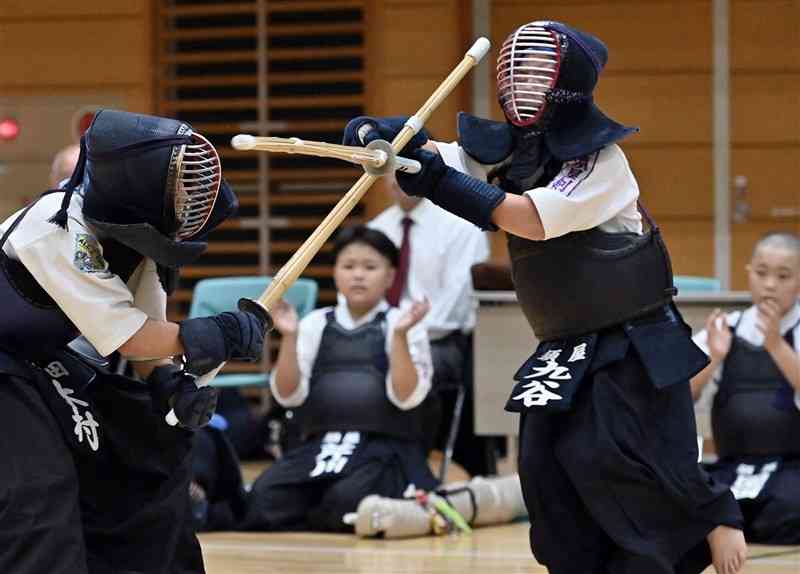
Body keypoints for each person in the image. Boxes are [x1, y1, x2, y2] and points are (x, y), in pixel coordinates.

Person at [342, 21, 747, 574]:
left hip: (631, 343)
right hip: (563, 345)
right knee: (544, 468)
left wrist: (433, 176)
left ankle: (711, 522)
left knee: (616, 459)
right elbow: (441, 158)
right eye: (514, 69)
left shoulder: (600, 163)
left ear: (568, 81)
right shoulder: (513, 154)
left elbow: (528, 219)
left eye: (534, 69)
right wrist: (387, 138)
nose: (517, 81)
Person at [0, 109, 268, 574]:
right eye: (179, 185)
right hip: (10, 368)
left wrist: (169, 384)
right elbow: (134, 338)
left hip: (36, 363)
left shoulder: (131, 240)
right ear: (135, 179)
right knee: (39, 489)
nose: (188, 197)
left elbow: (150, 338)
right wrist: (219, 333)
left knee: (139, 455)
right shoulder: (58, 226)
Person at [242, 225, 437, 532]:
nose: (358, 275)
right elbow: (287, 396)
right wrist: (290, 337)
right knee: (263, 500)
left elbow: (407, 396)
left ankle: (319, 511)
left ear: (390, 276)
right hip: (320, 445)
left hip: (383, 449)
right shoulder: (313, 323)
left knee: (348, 500)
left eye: (370, 267)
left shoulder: (404, 323)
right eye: (348, 266)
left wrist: (399, 337)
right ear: (335, 273)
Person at [367, 173, 492, 477]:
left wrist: (403, 337)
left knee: (415, 367)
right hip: (382, 335)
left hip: (442, 341)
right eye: (390, 173)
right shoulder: (376, 229)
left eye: (405, 172)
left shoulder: (462, 226)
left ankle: (407, 468)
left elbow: (453, 306)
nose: (397, 181)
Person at [692, 232, 800, 544]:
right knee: (686, 504)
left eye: (783, 276)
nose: (769, 285)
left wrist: (777, 346)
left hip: (791, 470)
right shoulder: (725, 328)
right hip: (732, 468)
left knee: (790, 509)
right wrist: (714, 357)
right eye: (762, 273)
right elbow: (675, 399)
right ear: (749, 273)